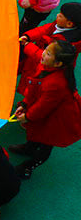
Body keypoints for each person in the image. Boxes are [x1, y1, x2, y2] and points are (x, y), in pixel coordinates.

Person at [11, 41, 81, 178]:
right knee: (38, 134)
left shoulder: (56, 83)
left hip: (57, 119)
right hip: (49, 113)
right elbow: (34, 88)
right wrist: (25, 105)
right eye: (46, 49)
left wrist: (28, 116)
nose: (43, 53)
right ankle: (29, 147)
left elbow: (43, 107)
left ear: (58, 63)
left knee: (46, 143)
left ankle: (29, 166)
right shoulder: (48, 67)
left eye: (48, 53)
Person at [18, 2, 81, 93]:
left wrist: (28, 46)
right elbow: (45, 29)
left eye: (61, 15)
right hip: (38, 55)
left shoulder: (63, 44)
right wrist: (29, 36)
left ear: (69, 24)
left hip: (44, 66)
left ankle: (26, 103)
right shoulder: (59, 25)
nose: (57, 15)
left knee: (34, 85)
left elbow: (46, 57)